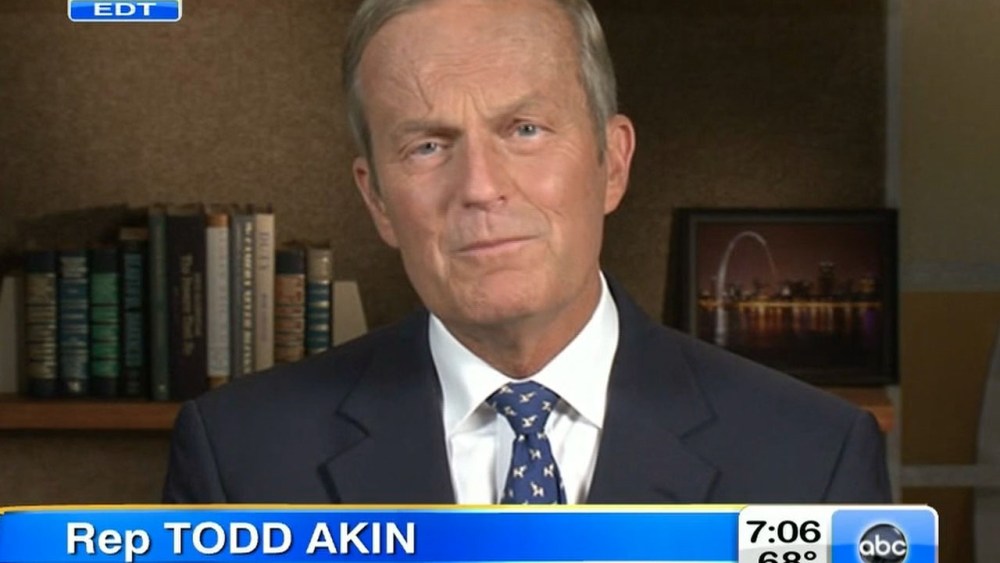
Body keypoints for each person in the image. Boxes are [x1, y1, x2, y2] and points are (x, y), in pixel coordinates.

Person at [162, 0, 890, 504]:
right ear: (377, 198)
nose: (481, 187)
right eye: (428, 145)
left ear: (612, 161)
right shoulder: (240, 457)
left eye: (525, 130)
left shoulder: (814, 457)